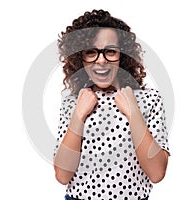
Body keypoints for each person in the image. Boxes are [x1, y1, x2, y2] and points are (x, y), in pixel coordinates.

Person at [53, 9, 170, 200]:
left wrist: (133, 113)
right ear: (80, 58)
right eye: (91, 52)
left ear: (122, 55)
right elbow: (63, 175)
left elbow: (157, 173)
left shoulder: (149, 100)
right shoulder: (72, 104)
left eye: (110, 51)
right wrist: (78, 116)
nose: (101, 60)